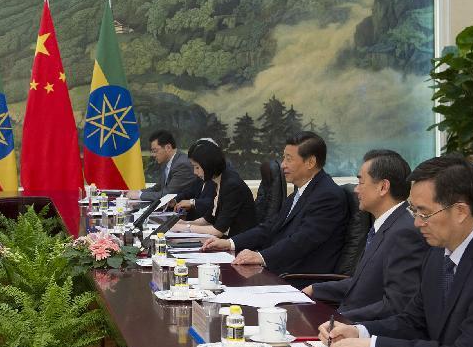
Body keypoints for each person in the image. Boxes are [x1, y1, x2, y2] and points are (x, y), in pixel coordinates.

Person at [321, 155, 473, 347]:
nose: (415, 223)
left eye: (424, 213)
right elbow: (413, 321)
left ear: (461, 211)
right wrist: (359, 331)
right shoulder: (438, 252)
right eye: (414, 210)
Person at [303, 149, 429, 321]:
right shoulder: (387, 225)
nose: (356, 189)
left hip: (362, 332)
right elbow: (365, 284)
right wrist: (315, 289)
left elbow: (397, 305)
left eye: (361, 182)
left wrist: (337, 320)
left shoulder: (404, 233)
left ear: (383, 187)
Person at [202, 131, 348, 275]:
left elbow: (301, 241)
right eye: (283, 158)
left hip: (299, 278)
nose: (283, 165)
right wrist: (230, 243)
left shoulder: (328, 196)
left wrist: (260, 257)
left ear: (310, 162)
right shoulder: (300, 192)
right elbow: (270, 227)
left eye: (289, 159)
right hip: (279, 269)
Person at [172, 140, 256, 237]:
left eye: (197, 167)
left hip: (241, 244)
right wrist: (181, 223)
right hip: (225, 239)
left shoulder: (231, 185)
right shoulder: (216, 180)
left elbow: (218, 230)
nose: (195, 172)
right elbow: (208, 219)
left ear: (208, 165)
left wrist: (184, 228)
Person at [127, 130, 196, 202]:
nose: (153, 155)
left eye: (155, 151)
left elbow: (168, 194)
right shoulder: (166, 162)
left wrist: (139, 195)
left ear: (168, 147)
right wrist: (138, 192)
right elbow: (158, 188)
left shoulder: (182, 164)